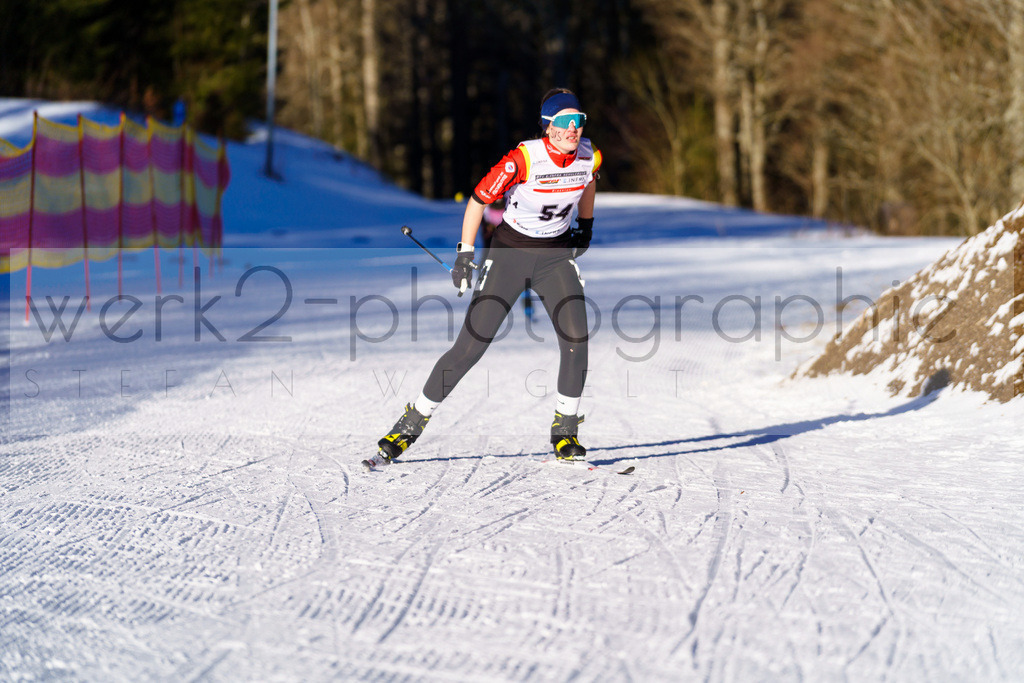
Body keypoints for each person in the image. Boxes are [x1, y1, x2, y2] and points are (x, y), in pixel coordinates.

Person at [377, 88, 600, 462]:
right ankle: (411, 423)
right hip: (511, 254)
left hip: (554, 257)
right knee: (471, 346)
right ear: (548, 128)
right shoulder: (523, 159)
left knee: (577, 338)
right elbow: (479, 200)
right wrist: (465, 254)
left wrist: (587, 225)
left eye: (579, 120)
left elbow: (588, 180)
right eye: (565, 122)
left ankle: (565, 432)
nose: (573, 129)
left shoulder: (588, 154)